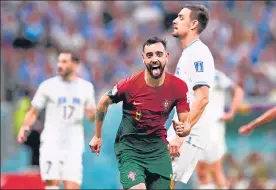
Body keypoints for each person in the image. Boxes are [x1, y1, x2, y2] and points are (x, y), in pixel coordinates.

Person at [89, 37, 190, 190]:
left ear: (166, 57)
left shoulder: (178, 87)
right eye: (149, 55)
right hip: (130, 150)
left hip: (158, 151)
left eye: (158, 54)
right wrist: (97, 135)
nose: (154, 59)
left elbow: (185, 122)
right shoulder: (130, 85)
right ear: (143, 59)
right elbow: (103, 101)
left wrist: (182, 133)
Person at [17, 51, 96, 190]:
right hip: (52, 143)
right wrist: (25, 126)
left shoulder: (86, 88)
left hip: (73, 144)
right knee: (52, 185)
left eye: (64, 62)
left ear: (75, 65)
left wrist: (92, 114)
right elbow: (33, 110)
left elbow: (91, 117)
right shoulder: (48, 86)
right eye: (59, 61)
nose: (60, 65)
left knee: (72, 186)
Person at [166, 4, 215, 188]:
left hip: (188, 133)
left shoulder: (198, 53)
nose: (174, 20)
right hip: (182, 129)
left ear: (193, 24)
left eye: (180, 17)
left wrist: (180, 136)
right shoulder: (189, 53)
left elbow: (202, 98)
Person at [196, 69, 244, 189]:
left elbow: (237, 90)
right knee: (201, 171)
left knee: (215, 169)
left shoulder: (214, 74)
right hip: (196, 128)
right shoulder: (189, 73)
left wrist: (232, 112)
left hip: (213, 126)